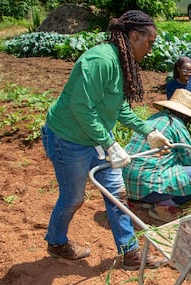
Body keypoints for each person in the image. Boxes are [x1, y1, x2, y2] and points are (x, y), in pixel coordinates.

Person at [41, 10, 171, 270]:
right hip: (68, 137)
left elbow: (119, 108)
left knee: (117, 194)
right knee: (73, 197)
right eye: (150, 42)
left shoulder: (122, 63)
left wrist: (148, 131)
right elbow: (81, 108)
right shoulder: (99, 60)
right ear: (134, 36)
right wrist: (110, 143)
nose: (151, 48)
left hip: (96, 136)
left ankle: (130, 253)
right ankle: (56, 242)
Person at [123, 89, 191, 222]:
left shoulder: (152, 118)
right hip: (147, 186)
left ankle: (143, 202)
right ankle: (164, 207)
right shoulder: (177, 125)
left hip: (127, 183)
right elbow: (190, 161)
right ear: (186, 115)